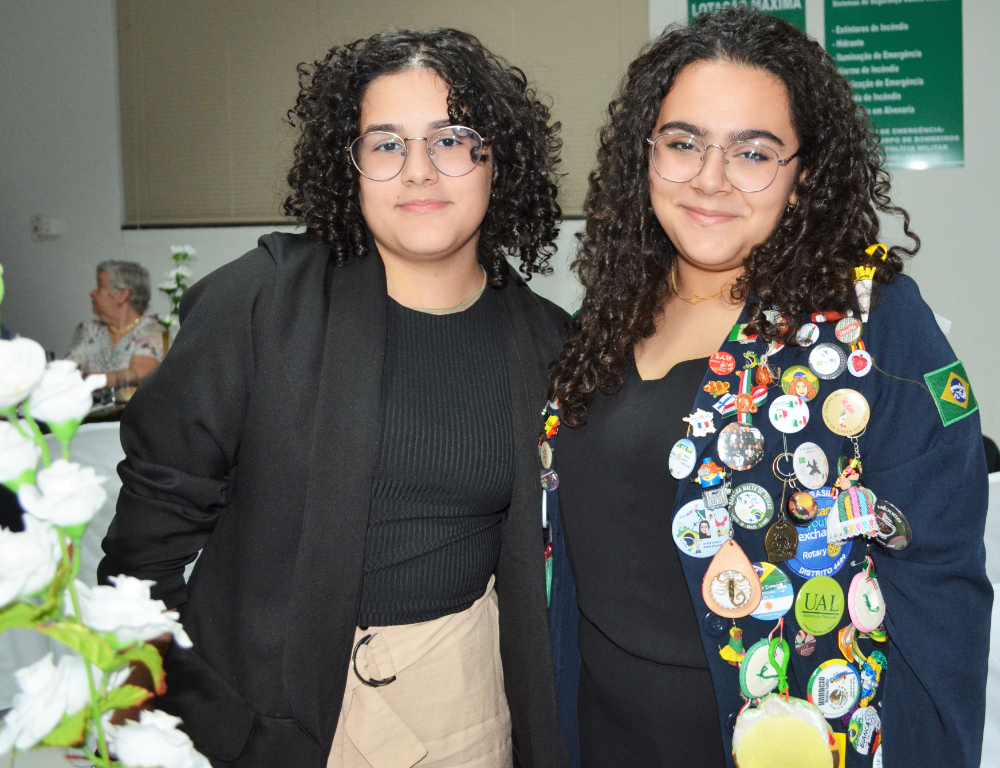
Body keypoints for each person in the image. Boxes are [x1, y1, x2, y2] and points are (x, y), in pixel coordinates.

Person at [98, 28, 571, 768]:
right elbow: (143, 552)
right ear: (347, 167)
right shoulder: (258, 305)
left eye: (451, 139)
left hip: (466, 708)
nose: (418, 171)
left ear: (496, 159)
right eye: (385, 145)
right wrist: (171, 712)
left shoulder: (548, 343)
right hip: (266, 714)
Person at [544, 9, 989, 768]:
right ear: (643, 153)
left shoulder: (870, 318)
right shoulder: (605, 314)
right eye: (682, 144)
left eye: (754, 152)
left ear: (804, 170)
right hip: (600, 728)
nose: (709, 179)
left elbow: (940, 574)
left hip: (783, 741)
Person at [66, 261, 163, 386]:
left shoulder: (150, 328)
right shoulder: (89, 329)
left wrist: (87, 380)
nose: (92, 293)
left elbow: (138, 374)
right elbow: (66, 374)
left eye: (100, 286)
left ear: (122, 295)